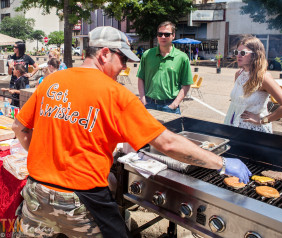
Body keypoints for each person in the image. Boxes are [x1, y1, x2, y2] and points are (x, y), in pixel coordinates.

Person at [12, 26, 251, 238]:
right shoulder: (115, 94)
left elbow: (20, 129)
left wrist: (49, 161)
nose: (125, 67)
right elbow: (167, 143)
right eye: (122, 59)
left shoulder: (52, 81)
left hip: (36, 194)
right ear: (104, 53)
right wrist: (220, 162)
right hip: (82, 202)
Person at [224, 36, 282, 133]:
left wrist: (263, 120)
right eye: (237, 52)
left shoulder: (263, 77)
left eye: (243, 53)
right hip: (234, 126)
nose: (238, 56)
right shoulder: (239, 74)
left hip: (254, 131)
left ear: (255, 55)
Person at [137, 21, 193, 114]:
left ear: (173, 35)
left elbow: (186, 83)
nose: (163, 37)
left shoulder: (182, 57)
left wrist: (175, 104)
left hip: (170, 106)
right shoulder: (147, 55)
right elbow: (141, 77)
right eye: (160, 34)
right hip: (149, 104)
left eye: (167, 34)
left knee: (171, 129)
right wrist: (143, 99)